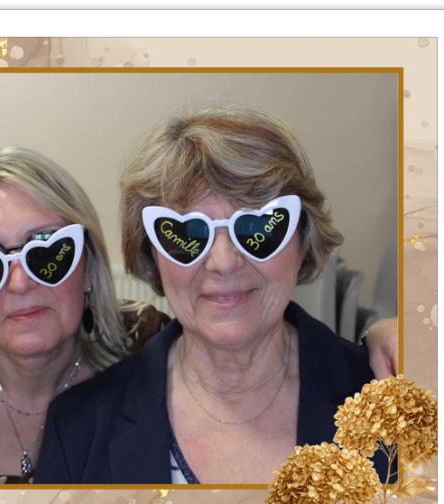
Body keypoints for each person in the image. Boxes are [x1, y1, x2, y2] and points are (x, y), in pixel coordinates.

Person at [0, 145, 398, 485]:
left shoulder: (147, 342)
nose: (19, 282)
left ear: (89, 268)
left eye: (49, 252)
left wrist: (387, 334)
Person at [36, 107, 396, 484]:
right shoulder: (78, 431)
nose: (223, 262)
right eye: (188, 235)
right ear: (152, 254)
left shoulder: (394, 404)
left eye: (256, 228)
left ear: (303, 239)